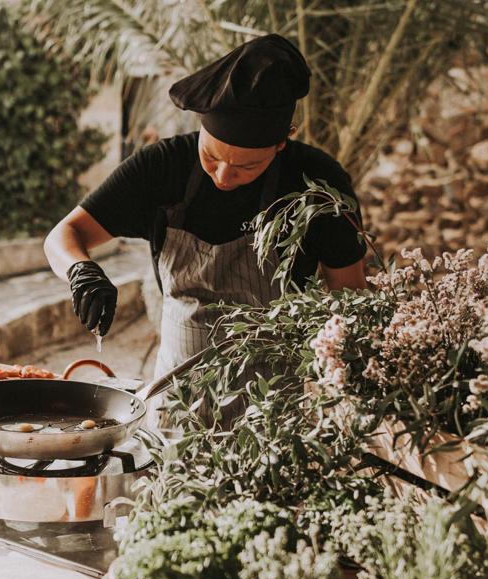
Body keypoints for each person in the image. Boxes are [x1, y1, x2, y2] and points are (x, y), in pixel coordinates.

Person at [44, 34, 367, 397]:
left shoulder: (320, 184)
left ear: (281, 143)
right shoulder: (162, 167)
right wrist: (80, 271)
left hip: (277, 411)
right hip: (175, 400)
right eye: (211, 156)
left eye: (247, 166)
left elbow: (349, 294)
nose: (224, 176)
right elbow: (64, 235)